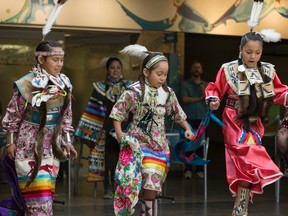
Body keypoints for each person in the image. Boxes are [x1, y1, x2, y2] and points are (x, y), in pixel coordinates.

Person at [205, 30, 288, 216]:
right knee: (245, 156)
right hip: (234, 119)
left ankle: (241, 208)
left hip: (255, 121)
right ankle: (240, 207)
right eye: (249, 52)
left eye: (257, 52)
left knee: (250, 164)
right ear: (240, 49)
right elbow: (215, 89)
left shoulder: (267, 70)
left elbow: (280, 92)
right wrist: (213, 100)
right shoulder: (228, 69)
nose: (253, 56)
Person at [109, 44, 194, 216]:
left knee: (152, 183)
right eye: (159, 74)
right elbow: (117, 114)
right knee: (133, 185)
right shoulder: (134, 92)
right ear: (146, 72)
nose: (163, 78)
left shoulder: (168, 93)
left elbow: (177, 113)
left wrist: (187, 129)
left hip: (159, 146)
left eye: (165, 74)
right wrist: (120, 134)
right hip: (136, 146)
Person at [1, 40, 77, 215]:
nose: (59, 64)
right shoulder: (26, 84)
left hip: (52, 147)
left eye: (61, 60)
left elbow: (66, 117)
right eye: (55, 60)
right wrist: (10, 142)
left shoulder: (64, 84)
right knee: (37, 200)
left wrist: (67, 142)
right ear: (41, 59)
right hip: (29, 145)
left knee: (46, 197)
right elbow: (13, 115)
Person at [75, 57, 134, 199]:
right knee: (109, 158)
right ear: (107, 70)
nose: (115, 70)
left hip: (126, 128)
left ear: (121, 70)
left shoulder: (129, 86)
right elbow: (93, 110)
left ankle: (124, 188)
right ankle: (108, 188)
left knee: (126, 158)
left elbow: (134, 108)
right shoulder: (100, 87)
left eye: (118, 67)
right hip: (106, 129)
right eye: (112, 68)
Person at [181, 60, 207, 179]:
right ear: (190, 70)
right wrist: (198, 99)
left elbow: (207, 97)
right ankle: (188, 169)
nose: (196, 69)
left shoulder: (206, 85)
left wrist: (200, 85)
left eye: (199, 67)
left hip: (202, 119)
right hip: (189, 119)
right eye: (194, 67)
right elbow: (185, 99)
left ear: (202, 70)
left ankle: (200, 169)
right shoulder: (185, 84)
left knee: (201, 145)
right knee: (189, 144)